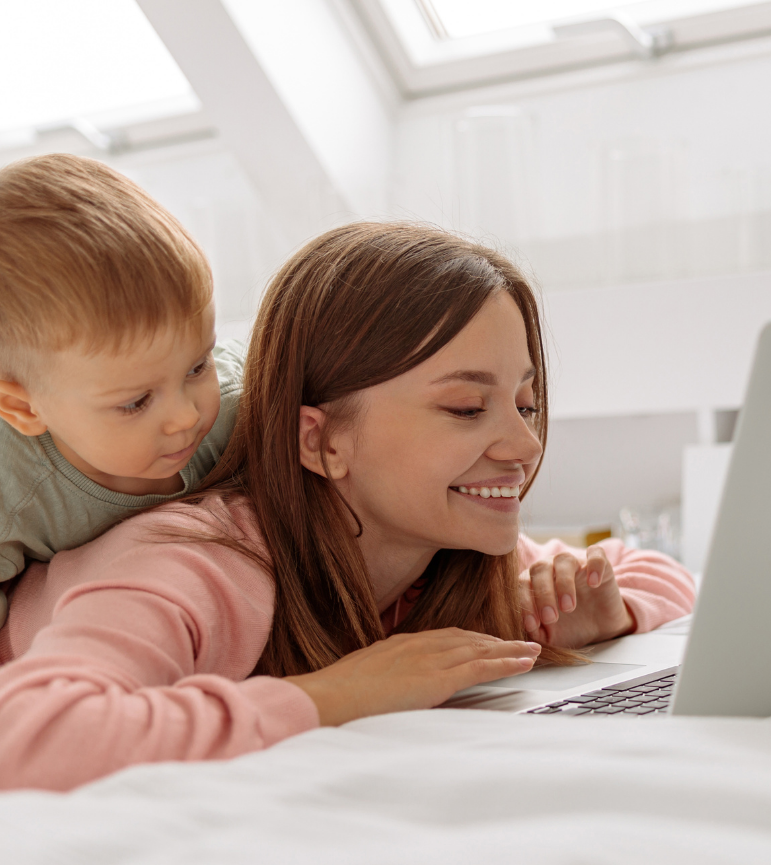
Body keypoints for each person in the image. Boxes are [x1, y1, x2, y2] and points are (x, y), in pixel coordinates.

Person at [0, 223, 695, 791]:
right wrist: (339, 696)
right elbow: (30, 737)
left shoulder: (440, 554)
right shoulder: (202, 563)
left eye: (527, 402)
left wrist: (608, 613)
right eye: (465, 407)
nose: (524, 443)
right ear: (321, 439)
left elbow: (663, 575)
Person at [0, 154, 244, 626]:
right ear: (24, 407)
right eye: (136, 402)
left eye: (198, 366)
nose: (186, 418)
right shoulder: (13, 489)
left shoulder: (244, 403)